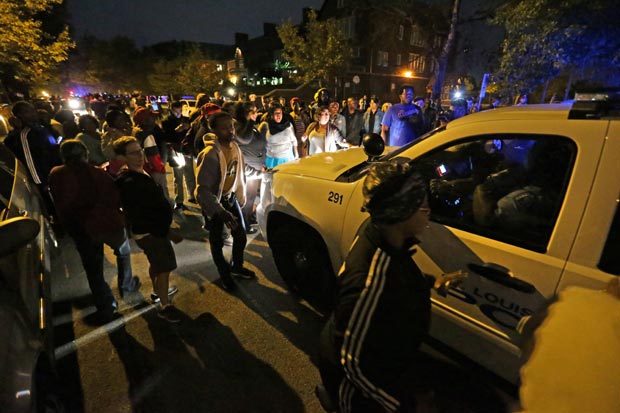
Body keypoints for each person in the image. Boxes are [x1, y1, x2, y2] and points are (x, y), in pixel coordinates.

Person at [318, 160, 466, 412]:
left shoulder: (384, 238)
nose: (428, 209)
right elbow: (351, 363)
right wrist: (404, 406)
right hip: (357, 393)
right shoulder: (368, 282)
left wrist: (431, 282)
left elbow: (396, 275)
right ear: (400, 212)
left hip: (386, 367)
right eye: (421, 204)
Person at [49, 140, 141, 323]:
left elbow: (58, 202)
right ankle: (126, 285)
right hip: (108, 225)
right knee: (123, 253)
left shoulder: (56, 174)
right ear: (86, 154)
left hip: (80, 229)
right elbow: (115, 198)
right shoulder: (98, 173)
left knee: (93, 269)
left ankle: (107, 305)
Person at [113, 136, 182, 323]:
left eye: (140, 150)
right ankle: (165, 305)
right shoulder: (129, 183)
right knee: (165, 267)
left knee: (156, 264)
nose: (139, 155)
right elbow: (140, 215)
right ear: (122, 157)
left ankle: (157, 292)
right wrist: (165, 231)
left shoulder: (138, 173)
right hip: (151, 233)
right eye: (133, 153)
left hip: (153, 231)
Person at [195, 111, 256, 292]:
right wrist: (220, 211)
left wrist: (264, 172)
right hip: (215, 204)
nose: (230, 131)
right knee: (217, 242)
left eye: (231, 126)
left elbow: (240, 170)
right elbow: (202, 190)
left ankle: (236, 266)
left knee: (241, 235)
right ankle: (224, 275)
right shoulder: (210, 154)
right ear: (214, 130)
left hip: (230, 198)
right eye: (224, 128)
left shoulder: (234, 147)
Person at [234, 101, 266, 234]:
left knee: (250, 197)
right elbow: (245, 140)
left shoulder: (248, 126)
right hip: (247, 171)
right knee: (245, 199)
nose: (256, 114)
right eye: (252, 111)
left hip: (254, 170)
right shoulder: (241, 128)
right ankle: (243, 225)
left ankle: (247, 219)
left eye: (256, 111)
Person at [162, 101, 195, 210]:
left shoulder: (186, 119)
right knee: (178, 176)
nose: (178, 113)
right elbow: (166, 137)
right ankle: (179, 200)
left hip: (185, 150)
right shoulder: (166, 121)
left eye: (180, 111)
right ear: (171, 110)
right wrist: (176, 131)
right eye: (176, 111)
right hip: (175, 150)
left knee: (189, 173)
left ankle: (192, 195)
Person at [258, 103, 299, 168]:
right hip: (272, 160)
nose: (278, 115)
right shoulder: (265, 125)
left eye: (280, 113)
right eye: (276, 113)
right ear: (271, 114)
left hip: (288, 159)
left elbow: (294, 141)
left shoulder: (288, 125)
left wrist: (296, 156)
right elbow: (260, 144)